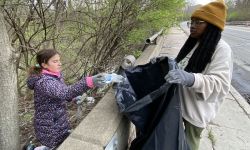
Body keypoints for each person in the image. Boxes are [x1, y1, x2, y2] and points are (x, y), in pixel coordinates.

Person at [165, 1, 233, 150]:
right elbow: (182, 64)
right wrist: (170, 64)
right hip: (179, 103)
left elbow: (221, 84)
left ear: (212, 25)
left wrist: (191, 78)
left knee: (189, 145)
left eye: (198, 22)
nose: (192, 25)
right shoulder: (194, 43)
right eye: (191, 22)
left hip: (196, 111)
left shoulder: (222, 49)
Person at [27, 49, 106, 149]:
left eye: (59, 60)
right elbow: (66, 93)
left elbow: (60, 94)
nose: (59, 64)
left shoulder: (55, 76)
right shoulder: (44, 82)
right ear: (44, 65)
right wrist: (89, 81)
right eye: (55, 61)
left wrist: (75, 98)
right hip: (49, 127)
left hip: (59, 122)